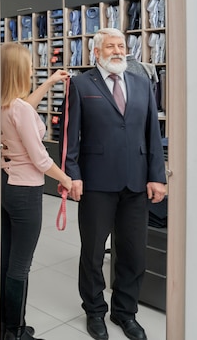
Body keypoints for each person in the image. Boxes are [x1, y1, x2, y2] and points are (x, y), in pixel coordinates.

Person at [60, 28, 166, 340]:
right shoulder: (81, 84)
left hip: (136, 182)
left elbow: (152, 135)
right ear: (96, 52)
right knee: (93, 253)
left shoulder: (141, 82)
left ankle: (125, 312)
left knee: (133, 253)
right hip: (95, 183)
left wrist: (156, 177)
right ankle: (95, 311)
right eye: (111, 46)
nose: (118, 50)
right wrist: (72, 174)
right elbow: (70, 135)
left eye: (121, 45)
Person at [0, 42, 72, 340]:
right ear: (19, 70)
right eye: (29, 66)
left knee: (6, 260)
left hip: (7, 187)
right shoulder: (20, 111)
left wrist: (50, 82)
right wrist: (66, 179)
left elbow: (25, 107)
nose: (32, 70)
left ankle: (6, 324)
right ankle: (16, 332)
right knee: (20, 265)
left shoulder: (5, 105)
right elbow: (41, 159)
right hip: (26, 193)